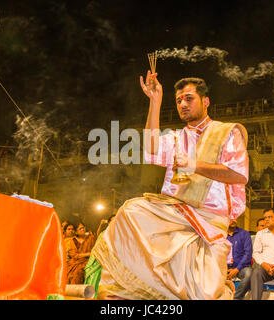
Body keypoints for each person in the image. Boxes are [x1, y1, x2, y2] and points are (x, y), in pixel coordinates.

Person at [92, 72, 249, 300]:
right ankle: (129, 290)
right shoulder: (177, 138)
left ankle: (220, 286)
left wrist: (194, 165)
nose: (183, 104)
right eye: (178, 101)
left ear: (205, 101)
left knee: (204, 295)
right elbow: (151, 148)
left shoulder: (227, 132)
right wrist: (155, 101)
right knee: (130, 210)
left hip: (210, 220)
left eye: (189, 98)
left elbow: (238, 175)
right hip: (175, 213)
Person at [84, 215, 116, 299]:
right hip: (101, 258)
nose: (115, 222)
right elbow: (97, 247)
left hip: (115, 259)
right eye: (113, 220)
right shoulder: (104, 233)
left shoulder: (120, 232)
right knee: (96, 274)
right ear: (109, 223)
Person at [227, 219, 253, 300]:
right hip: (223, 268)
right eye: (230, 217)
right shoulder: (220, 234)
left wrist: (237, 269)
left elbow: (248, 254)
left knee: (249, 273)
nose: (233, 220)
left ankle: (237, 298)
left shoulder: (244, 234)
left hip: (241, 268)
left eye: (235, 217)